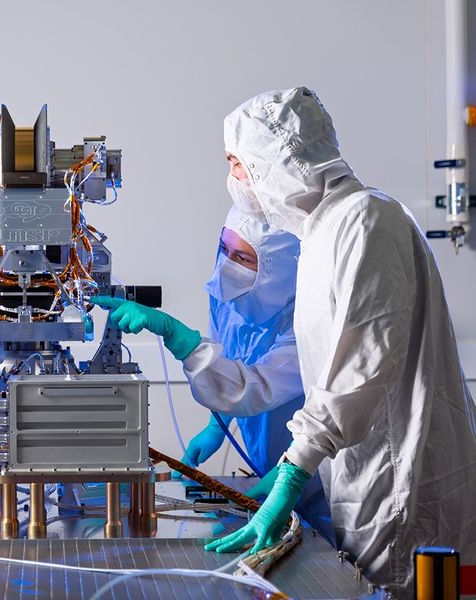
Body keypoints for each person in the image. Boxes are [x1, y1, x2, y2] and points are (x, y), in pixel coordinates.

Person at [99, 87, 476, 596]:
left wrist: (293, 473)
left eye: (238, 164)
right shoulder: (325, 233)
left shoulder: (365, 219)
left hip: (403, 489)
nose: (234, 179)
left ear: (276, 162)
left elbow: (358, 375)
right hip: (369, 484)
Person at [171, 206, 332, 541]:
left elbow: (254, 386)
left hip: (316, 473)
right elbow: (228, 363)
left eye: (244, 258)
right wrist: (218, 425)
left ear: (283, 267)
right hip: (265, 457)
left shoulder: (308, 320)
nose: (227, 266)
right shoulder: (225, 294)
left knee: (321, 552)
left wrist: (179, 340)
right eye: (224, 250)